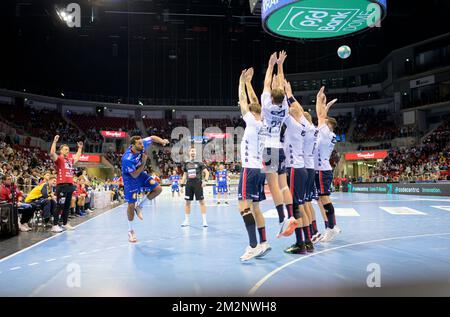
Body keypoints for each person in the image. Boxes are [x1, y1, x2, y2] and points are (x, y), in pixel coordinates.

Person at [260, 51, 297, 237]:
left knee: (272, 185)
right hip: (281, 149)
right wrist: (281, 65)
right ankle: (291, 215)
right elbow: (281, 86)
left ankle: (282, 218)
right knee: (284, 185)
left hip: (269, 147)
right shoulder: (285, 107)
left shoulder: (266, 105)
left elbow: (268, 83)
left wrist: (270, 64)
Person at [237, 68, 271, 261]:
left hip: (249, 169)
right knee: (256, 208)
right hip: (260, 170)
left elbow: (243, 101)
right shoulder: (264, 123)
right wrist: (250, 83)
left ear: (251, 112)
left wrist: (241, 82)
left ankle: (253, 246)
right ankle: (264, 242)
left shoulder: (250, 120)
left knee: (243, 207)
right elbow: (254, 103)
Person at [281, 81, 314, 254]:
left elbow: (283, 107)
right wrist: (291, 93)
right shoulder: (306, 125)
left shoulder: (293, 124)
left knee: (296, 208)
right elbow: (298, 110)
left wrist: (282, 90)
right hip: (302, 168)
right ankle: (308, 241)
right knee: (300, 206)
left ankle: (300, 244)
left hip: (294, 168)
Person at [122, 135, 169, 243]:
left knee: (158, 189)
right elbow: (134, 175)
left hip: (140, 174)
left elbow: (152, 138)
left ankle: (140, 207)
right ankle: (130, 231)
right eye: (139, 144)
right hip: (131, 178)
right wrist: (144, 161)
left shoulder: (141, 144)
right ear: (133, 145)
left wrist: (162, 141)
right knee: (131, 205)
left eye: (142, 143)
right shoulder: (127, 159)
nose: (142, 145)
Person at [314, 87, 341, 242]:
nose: (321, 123)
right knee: (320, 200)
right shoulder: (329, 134)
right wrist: (327, 106)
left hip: (323, 170)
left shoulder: (325, 132)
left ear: (328, 125)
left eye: (324, 122)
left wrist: (319, 99)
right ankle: (332, 225)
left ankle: (331, 228)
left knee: (324, 199)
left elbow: (320, 116)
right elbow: (322, 117)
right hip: (321, 169)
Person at [49, 135, 83, 233]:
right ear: (61, 151)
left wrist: (80, 148)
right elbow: (52, 153)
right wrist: (55, 142)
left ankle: (65, 223)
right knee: (60, 205)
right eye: (65, 149)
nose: (67, 151)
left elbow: (77, 157)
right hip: (62, 185)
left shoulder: (69, 160)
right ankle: (55, 225)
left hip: (69, 185)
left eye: (68, 149)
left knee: (67, 205)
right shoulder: (59, 159)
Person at [302, 111, 322, 243]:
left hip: (305, 167)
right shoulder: (314, 130)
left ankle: (310, 232)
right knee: (308, 202)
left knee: (303, 203)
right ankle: (314, 231)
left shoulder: (306, 130)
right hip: (311, 166)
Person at [180, 147, 210, 227]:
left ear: (196, 153)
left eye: (194, 151)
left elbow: (206, 172)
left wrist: (205, 181)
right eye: (191, 151)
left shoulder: (200, 163)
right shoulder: (186, 163)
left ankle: (204, 221)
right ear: (189, 152)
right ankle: (186, 220)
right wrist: (181, 186)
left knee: (201, 202)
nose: (193, 152)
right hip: (189, 184)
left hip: (198, 184)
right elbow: (185, 175)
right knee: (187, 202)